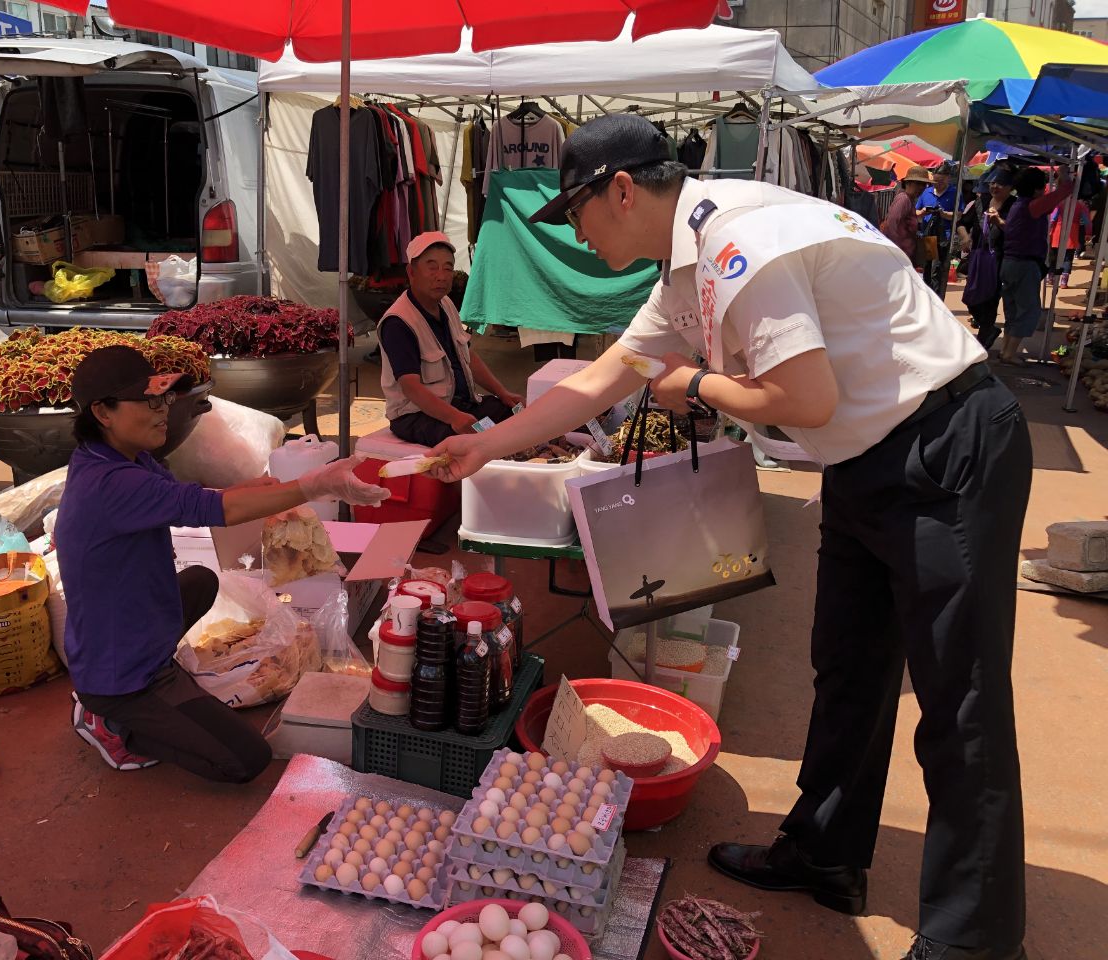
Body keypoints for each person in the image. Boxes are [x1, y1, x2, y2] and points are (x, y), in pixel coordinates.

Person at [430, 114, 1032, 960]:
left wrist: (699, 384)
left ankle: (975, 941)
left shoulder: (738, 242)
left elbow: (805, 398)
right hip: (865, 459)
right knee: (849, 670)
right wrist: (486, 445)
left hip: (945, 446)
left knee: (960, 701)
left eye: (576, 212)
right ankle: (824, 852)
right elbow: (605, 377)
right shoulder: (686, 268)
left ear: (622, 191)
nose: (576, 233)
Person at [56, 346, 388, 780]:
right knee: (245, 759)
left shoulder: (121, 458)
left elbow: (194, 499)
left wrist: (257, 487)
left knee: (202, 580)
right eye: (149, 401)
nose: (164, 410)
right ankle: (111, 722)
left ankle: (149, 683)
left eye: (165, 398)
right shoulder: (111, 483)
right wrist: (316, 484)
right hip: (123, 676)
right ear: (103, 412)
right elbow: (217, 510)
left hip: (127, 628)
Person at [377, 231, 524, 446]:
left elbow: (468, 357)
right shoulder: (398, 322)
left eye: (448, 268)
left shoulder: (445, 303)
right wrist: (455, 418)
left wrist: (503, 393)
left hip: (461, 405)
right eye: (432, 267)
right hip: (416, 415)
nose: (442, 276)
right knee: (475, 440)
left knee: (515, 414)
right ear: (411, 272)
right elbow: (411, 388)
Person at [998, 165, 1073, 365]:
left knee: (1012, 310)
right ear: (1036, 189)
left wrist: (1060, 178)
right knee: (1028, 311)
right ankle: (1009, 354)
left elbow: (1055, 196)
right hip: (1024, 265)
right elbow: (1064, 191)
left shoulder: (1018, 205)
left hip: (1009, 263)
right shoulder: (1032, 206)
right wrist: (1064, 175)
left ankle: (1005, 350)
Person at [957, 167, 1016, 350]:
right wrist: (965, 238)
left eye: (1000, 184)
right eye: (992, 183)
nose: (995, 186)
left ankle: (983, 339)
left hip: (999, 259)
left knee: (990, 298)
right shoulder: (980, 202)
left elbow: (1017, 232)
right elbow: (962, 224)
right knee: (970, 297)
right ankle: (988, 329)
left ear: (1010, 187)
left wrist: (999, 222)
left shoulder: (1014, 205)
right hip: (977, 257)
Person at [916, 164, 961, 297]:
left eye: (941, 181)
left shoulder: (954, 193)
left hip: (944, 238)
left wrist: (943, 214)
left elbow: (958, 215)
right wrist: (923, 212)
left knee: (938, 269)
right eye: (935, 181)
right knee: (928, 268)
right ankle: (927, 296)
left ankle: (937, 298)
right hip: (929, 236)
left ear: (948, 179)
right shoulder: (926, 192)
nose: (938, 184)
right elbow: (916, 213)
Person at [880, 166, 932, 262]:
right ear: (908, 183)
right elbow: (891, 225)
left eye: (924, 184)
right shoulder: (903, 199)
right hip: (897, 256)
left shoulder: (909, 200)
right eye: (918, 183)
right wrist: (895, 252)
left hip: (903, 255)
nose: (921, 187)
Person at [1048, 195, 1091, 288]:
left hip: (1058, 232)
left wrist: (1049, 230)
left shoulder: (1059, 203)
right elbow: (1087, 221)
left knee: (1054, 256)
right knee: (1068, 257)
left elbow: (1053, 218)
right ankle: (1064, 281)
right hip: (1072, 233)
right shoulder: (1080, 205)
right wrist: (1088, 233)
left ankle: (1051, 276)